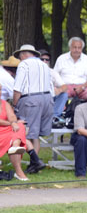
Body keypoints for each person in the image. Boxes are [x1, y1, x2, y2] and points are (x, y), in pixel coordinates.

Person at [11, 44, 52, 173]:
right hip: (47, 99)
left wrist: (14, 105)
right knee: (36, 135)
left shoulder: (24, 65)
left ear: (23, 55)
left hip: (31, 99)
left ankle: (36, 161)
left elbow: (18, 87)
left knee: (25, 131)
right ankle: (34, 164)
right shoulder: (44, 65)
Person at [54, 36, 87, 102]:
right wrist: (61, 87)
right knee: (58, 94)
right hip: (65, 87)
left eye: (79, 48)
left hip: (83, 88)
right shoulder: (61, 59)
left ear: (82, 48)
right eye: (74, 47)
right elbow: (55, 76)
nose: (77, 50)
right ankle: (59, 112)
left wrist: (82, 87)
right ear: (70, 48)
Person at [0, 96, 29, 180]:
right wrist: (11, 124)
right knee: (17, 128)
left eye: (0, 90)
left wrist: (13, 122)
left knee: (20, 125)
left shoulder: (5, 103)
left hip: (7, 130)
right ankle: (19, 173)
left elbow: (12, 116)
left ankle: (15, 145)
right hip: (3, 129)